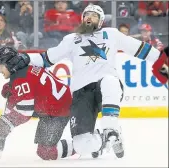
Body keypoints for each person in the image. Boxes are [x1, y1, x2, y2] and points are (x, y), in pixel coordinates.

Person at [24, 4, 168, 159]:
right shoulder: (71, 40)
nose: (89, 18)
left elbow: (141, 49)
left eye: (94, 15)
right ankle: (106, 139)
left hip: (106, 87)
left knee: (109, 81)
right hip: (81, 95)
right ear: (82, 18)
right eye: (87, 15)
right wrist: (24, 59)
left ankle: (111, 128)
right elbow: (46, 58)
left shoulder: (111, 34)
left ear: (100, 21)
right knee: (82, 144)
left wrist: (163, 60)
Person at [0, 46, 74, 160]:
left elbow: (25, 112)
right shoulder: (24, 69)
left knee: (46, 153)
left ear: (10, 64)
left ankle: (81, 145)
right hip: (54, 105)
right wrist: (4, 120)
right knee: (43, 151)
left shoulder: (21, 80)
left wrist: (5, 122)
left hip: (59, 109)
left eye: (1, 66)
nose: (0, 70)